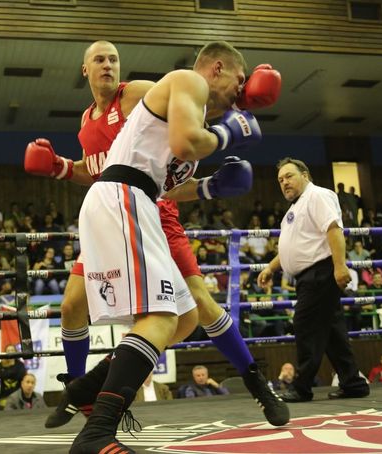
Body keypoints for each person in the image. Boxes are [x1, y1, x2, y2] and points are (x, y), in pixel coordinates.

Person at [25, 40, 287, 435]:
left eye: (114, 58)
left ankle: (257, 386)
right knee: (102, 310)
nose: (109, 65)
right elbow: (174, 142)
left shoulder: (140, 94)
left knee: (187, 314)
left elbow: (166, 175)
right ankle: (90, 411)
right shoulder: (169, 90)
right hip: (125, 202)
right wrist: (230, 131)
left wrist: (209, 187)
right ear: (216, 69)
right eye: (100, 59)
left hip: (147, 205)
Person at [257, 157, 369, 402]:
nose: (284, 182)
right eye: (280, 180)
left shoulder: (318, 195)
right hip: (310, 275)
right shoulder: (296, 207)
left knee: (305, 326)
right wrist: (271, 267)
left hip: (320, 272)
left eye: (289, 176)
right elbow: (297, 245)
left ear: (305, 174)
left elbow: (333, 229)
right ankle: (353, 383)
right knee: (331, 331)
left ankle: (302, 386)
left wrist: (340, 266)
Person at [0, 344, 27, 409]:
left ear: (15, 352)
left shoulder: (20, 364)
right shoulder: (1, 364)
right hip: (4, 395)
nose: (10, 352)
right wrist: (11, 368)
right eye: (8, 350)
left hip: (18, 395)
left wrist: (8, 369)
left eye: (12, 350)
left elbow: (20, 376)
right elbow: (0, 376)